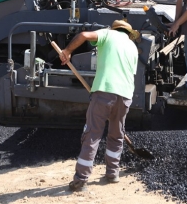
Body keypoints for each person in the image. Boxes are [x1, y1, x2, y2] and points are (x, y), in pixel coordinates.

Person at [59, 20, 139, 192]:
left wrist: (67, 51)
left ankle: (81, 179)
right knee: (117, 135)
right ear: (128, 33)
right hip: (125, 95)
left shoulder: (108, 34)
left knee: (92, 134)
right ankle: (112, 173)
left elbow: (83, 35)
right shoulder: (133, 47)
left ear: (114, 28)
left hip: (104, 91)